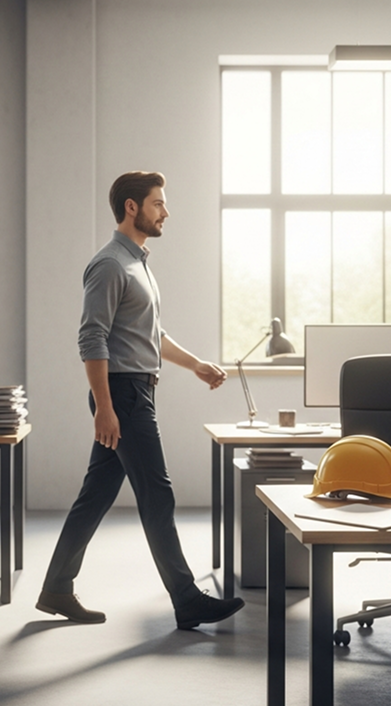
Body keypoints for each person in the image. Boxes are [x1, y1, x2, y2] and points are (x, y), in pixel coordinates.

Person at [36, 171, 246, 630]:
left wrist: (196, 365)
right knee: (158, 495)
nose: (165, 212)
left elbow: (151, 335)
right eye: (157, 203)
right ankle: (187, 599)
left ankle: (56, 587)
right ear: (132, 207)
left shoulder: (139, 264)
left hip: (134, 390)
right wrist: (105, 407)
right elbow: (91, 337)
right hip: (124, 395)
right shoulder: (110, 264)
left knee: (95, 496)